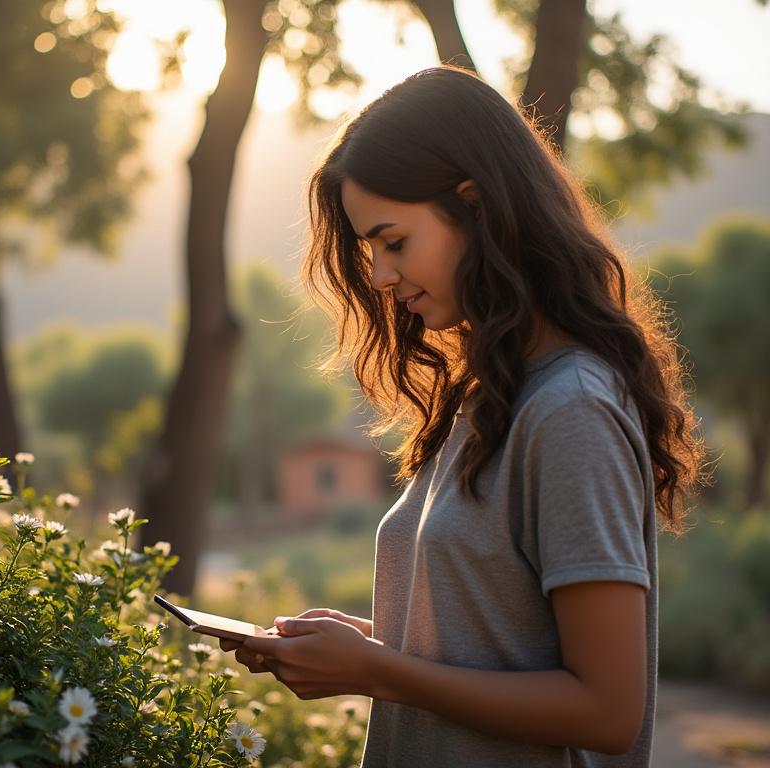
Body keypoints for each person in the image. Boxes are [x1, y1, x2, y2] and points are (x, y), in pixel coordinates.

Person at [219, 66, 705, 767]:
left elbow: (607, 712)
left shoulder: (570, 410)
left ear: (475, 207)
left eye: (394, 241)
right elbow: (497, 646)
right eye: (371, 252)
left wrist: (379, 671)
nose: (382, 277)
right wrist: (363, 649)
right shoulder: (488, 398)